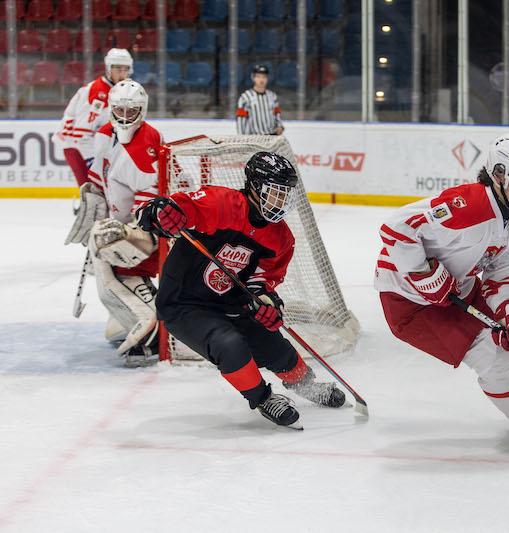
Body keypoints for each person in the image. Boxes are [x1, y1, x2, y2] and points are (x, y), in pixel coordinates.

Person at [374, 134, 509, 446]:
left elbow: (504, 277)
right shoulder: (466, 206)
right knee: (493, 356)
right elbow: (397, 226)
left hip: (459, 287)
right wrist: (425, 274)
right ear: (499, 173)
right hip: (408, 301)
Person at [134, 152, 346, 429]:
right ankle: (263, 398)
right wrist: (157, 212)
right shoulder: (220, 203)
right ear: (256, 188)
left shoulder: (282, 239)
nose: (281, 202)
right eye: (275, 193)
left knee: (277, 348)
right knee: (229, 343)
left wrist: (268, 303)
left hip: (231, 304)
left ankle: (308, 386)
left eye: (286, 195)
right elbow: (169, 212)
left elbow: (264, 281)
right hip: (184, 304)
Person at [64, 79, 163, 367]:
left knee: (120, 270)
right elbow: (98, 176)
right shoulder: (106, 133)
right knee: (105, 268)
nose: (124, 117)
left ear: (141, 111)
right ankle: (128, 318)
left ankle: (152, 327)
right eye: (118, 109)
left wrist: (131, 230)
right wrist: (93, 201)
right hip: (118, 222)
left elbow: (149, 202)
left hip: (149, 227)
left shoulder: (146, 144)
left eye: (131, 111)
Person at [53, 48, 134, 186]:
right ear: (109, 69)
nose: (122, 74)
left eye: (125, 69)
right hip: (75, 147)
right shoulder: (97, 94)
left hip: (91, 145)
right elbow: (80, 136)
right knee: (92, 193)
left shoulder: (117, 90)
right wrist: (94, 162)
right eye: (118, 69)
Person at [236, 65, 284, 136]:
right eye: (258, 77)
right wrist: (243, 138)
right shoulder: (245, 97)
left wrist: (280, 126)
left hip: (271, 137)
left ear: (268, 78)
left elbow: (277, 115)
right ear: (253, 78)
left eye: (264, 77)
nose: (261, 80)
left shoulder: (272, 96)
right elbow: (241, 121)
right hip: (254, 139)